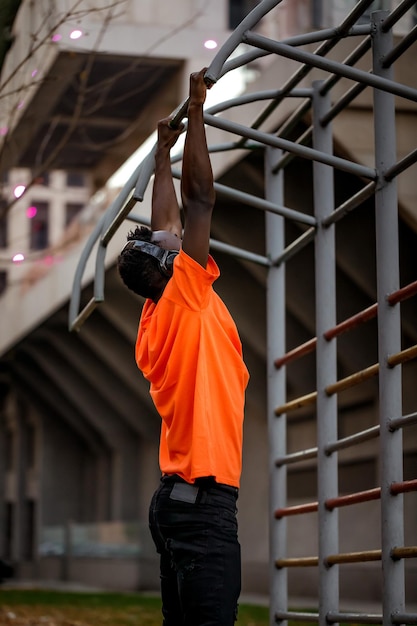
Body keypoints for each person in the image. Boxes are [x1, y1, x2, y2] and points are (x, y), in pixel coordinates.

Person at [118, 68, 249, 626]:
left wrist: (162, 153)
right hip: (200, 507)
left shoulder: (158, 313)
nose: (171, 234)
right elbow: (199, 205)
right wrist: (197, 110)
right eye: (169, 246)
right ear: (171, 267)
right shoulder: (186, 294)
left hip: (178, 503)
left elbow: (167, 220)